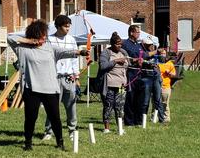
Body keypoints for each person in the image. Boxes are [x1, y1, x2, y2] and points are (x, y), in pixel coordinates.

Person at [7, 19, 89, 151]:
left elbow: (66, 51)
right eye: (42, 35)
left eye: (45, 35)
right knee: (30, 118)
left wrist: (80, 52)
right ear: (34, 35)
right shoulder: (22, 49)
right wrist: (30, 41)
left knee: (55, 117)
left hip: (50, 89)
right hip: (31, 89)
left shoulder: (49, 48)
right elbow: (10, 37)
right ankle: (28, 143)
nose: (44, 38)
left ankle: (60, 142)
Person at [43, 15, 80, 141]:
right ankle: (48, 131)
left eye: (69, 26)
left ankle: (72, 130)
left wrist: (77, 75)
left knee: (71, 106)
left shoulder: (71, 40)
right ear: (58, 27)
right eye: (65, 26)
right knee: (52, 106)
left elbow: (75, 60)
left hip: (69, 77)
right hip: (54, 77)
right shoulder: (49, 40)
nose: (68, 28)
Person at [122, 25, 162, 126]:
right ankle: (129, 121)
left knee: (140, 98)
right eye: (137, 32)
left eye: (139, 32)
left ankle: (138, 120)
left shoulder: (138, 45)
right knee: (131, 98)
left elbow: (144, 55)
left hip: (141, 75)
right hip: (131, 74)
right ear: (131, 33)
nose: (139, 34)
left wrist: (151, 62)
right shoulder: (126, 44)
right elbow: (137, 56)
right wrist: (155, 52)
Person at [98, 32, 129, 133]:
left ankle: (120, 127)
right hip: (109, 85)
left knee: (120, 106)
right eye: (117, 44)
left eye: (120, 44)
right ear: (112, 44)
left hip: (121, 85)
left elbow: (130, 64)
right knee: (108, 105)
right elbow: (103, 66)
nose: (119, 46)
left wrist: (138, 62)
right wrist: (115, 61)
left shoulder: (123, 52)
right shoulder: (106, 53)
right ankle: (106, 128)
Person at [157, 50, 176, 122]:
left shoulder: (170, 63)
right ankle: (155, 117)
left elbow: (174, 74)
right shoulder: (157, 63)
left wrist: (169, 73)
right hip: (157, 85)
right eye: (161, 53)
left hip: (166, 86)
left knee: (165, 103)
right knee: (155, 102)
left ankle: (166, 118)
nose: (163, 55)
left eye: (164, 53)